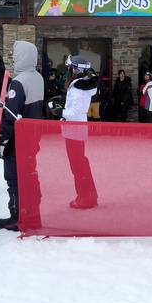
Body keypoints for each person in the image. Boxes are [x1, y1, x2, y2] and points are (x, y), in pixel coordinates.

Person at [0, 40, 44, 231]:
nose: (14, 60)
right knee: (30, 175)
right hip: (33, 136)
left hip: (18, 140)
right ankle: (33, 213)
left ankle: (18, 217)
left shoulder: (19, 82)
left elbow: (11, 115)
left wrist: (2, 141)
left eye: (16, 56)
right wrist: (3, 76)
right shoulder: (37, 77)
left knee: (14, 178)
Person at [60, 55, 99, 209]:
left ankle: (85, 198)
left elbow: (75, 111)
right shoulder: (81, 85)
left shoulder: (77, 87)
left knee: (77, 164)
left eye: (70, 68)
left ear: (76, 70)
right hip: (76, 128)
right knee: (80, 162)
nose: (68, 70)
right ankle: (89, 195)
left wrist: (60, 112)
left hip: (74, 129)